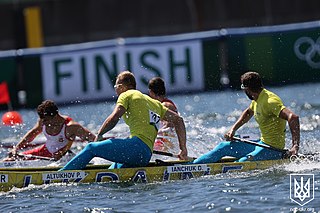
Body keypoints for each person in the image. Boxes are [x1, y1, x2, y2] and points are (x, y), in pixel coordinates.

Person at [60, 71, 188, 171]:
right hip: (145, 155)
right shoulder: (154, 102)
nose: (115, 89)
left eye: (116, 86)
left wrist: (99, 135)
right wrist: (183, 149)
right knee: (114, 167)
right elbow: (179, 120)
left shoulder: (126, 94)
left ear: (121, 86)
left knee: (91, 148)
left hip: (136, 148)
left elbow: (115, 117)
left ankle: (61, 175)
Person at [193, 71, 300, 164]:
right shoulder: (257, 98)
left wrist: (295, 146)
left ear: (247, 89)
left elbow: (293, 117)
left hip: (273, 149)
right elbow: (248, 112)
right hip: (261, 144)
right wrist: (233, 129)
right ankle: (192, 166)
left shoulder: (270, 101)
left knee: (242, 163)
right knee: (223, 146)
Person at [4, 100, 96, 161]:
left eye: (46, 120)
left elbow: (94, 140)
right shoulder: (43, 120)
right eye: (42, 120)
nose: (43, 123)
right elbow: (32, 134)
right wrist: (16, 148)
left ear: (55, 116)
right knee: (11, 159)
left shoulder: (71, 127)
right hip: (44, 150)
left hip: (63, 156)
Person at [148, 77, 178, 151]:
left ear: (151, 92)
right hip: (163, 142)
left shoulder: (166, 105)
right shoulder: (160, 104)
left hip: (167, 144)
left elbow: (170, 128)